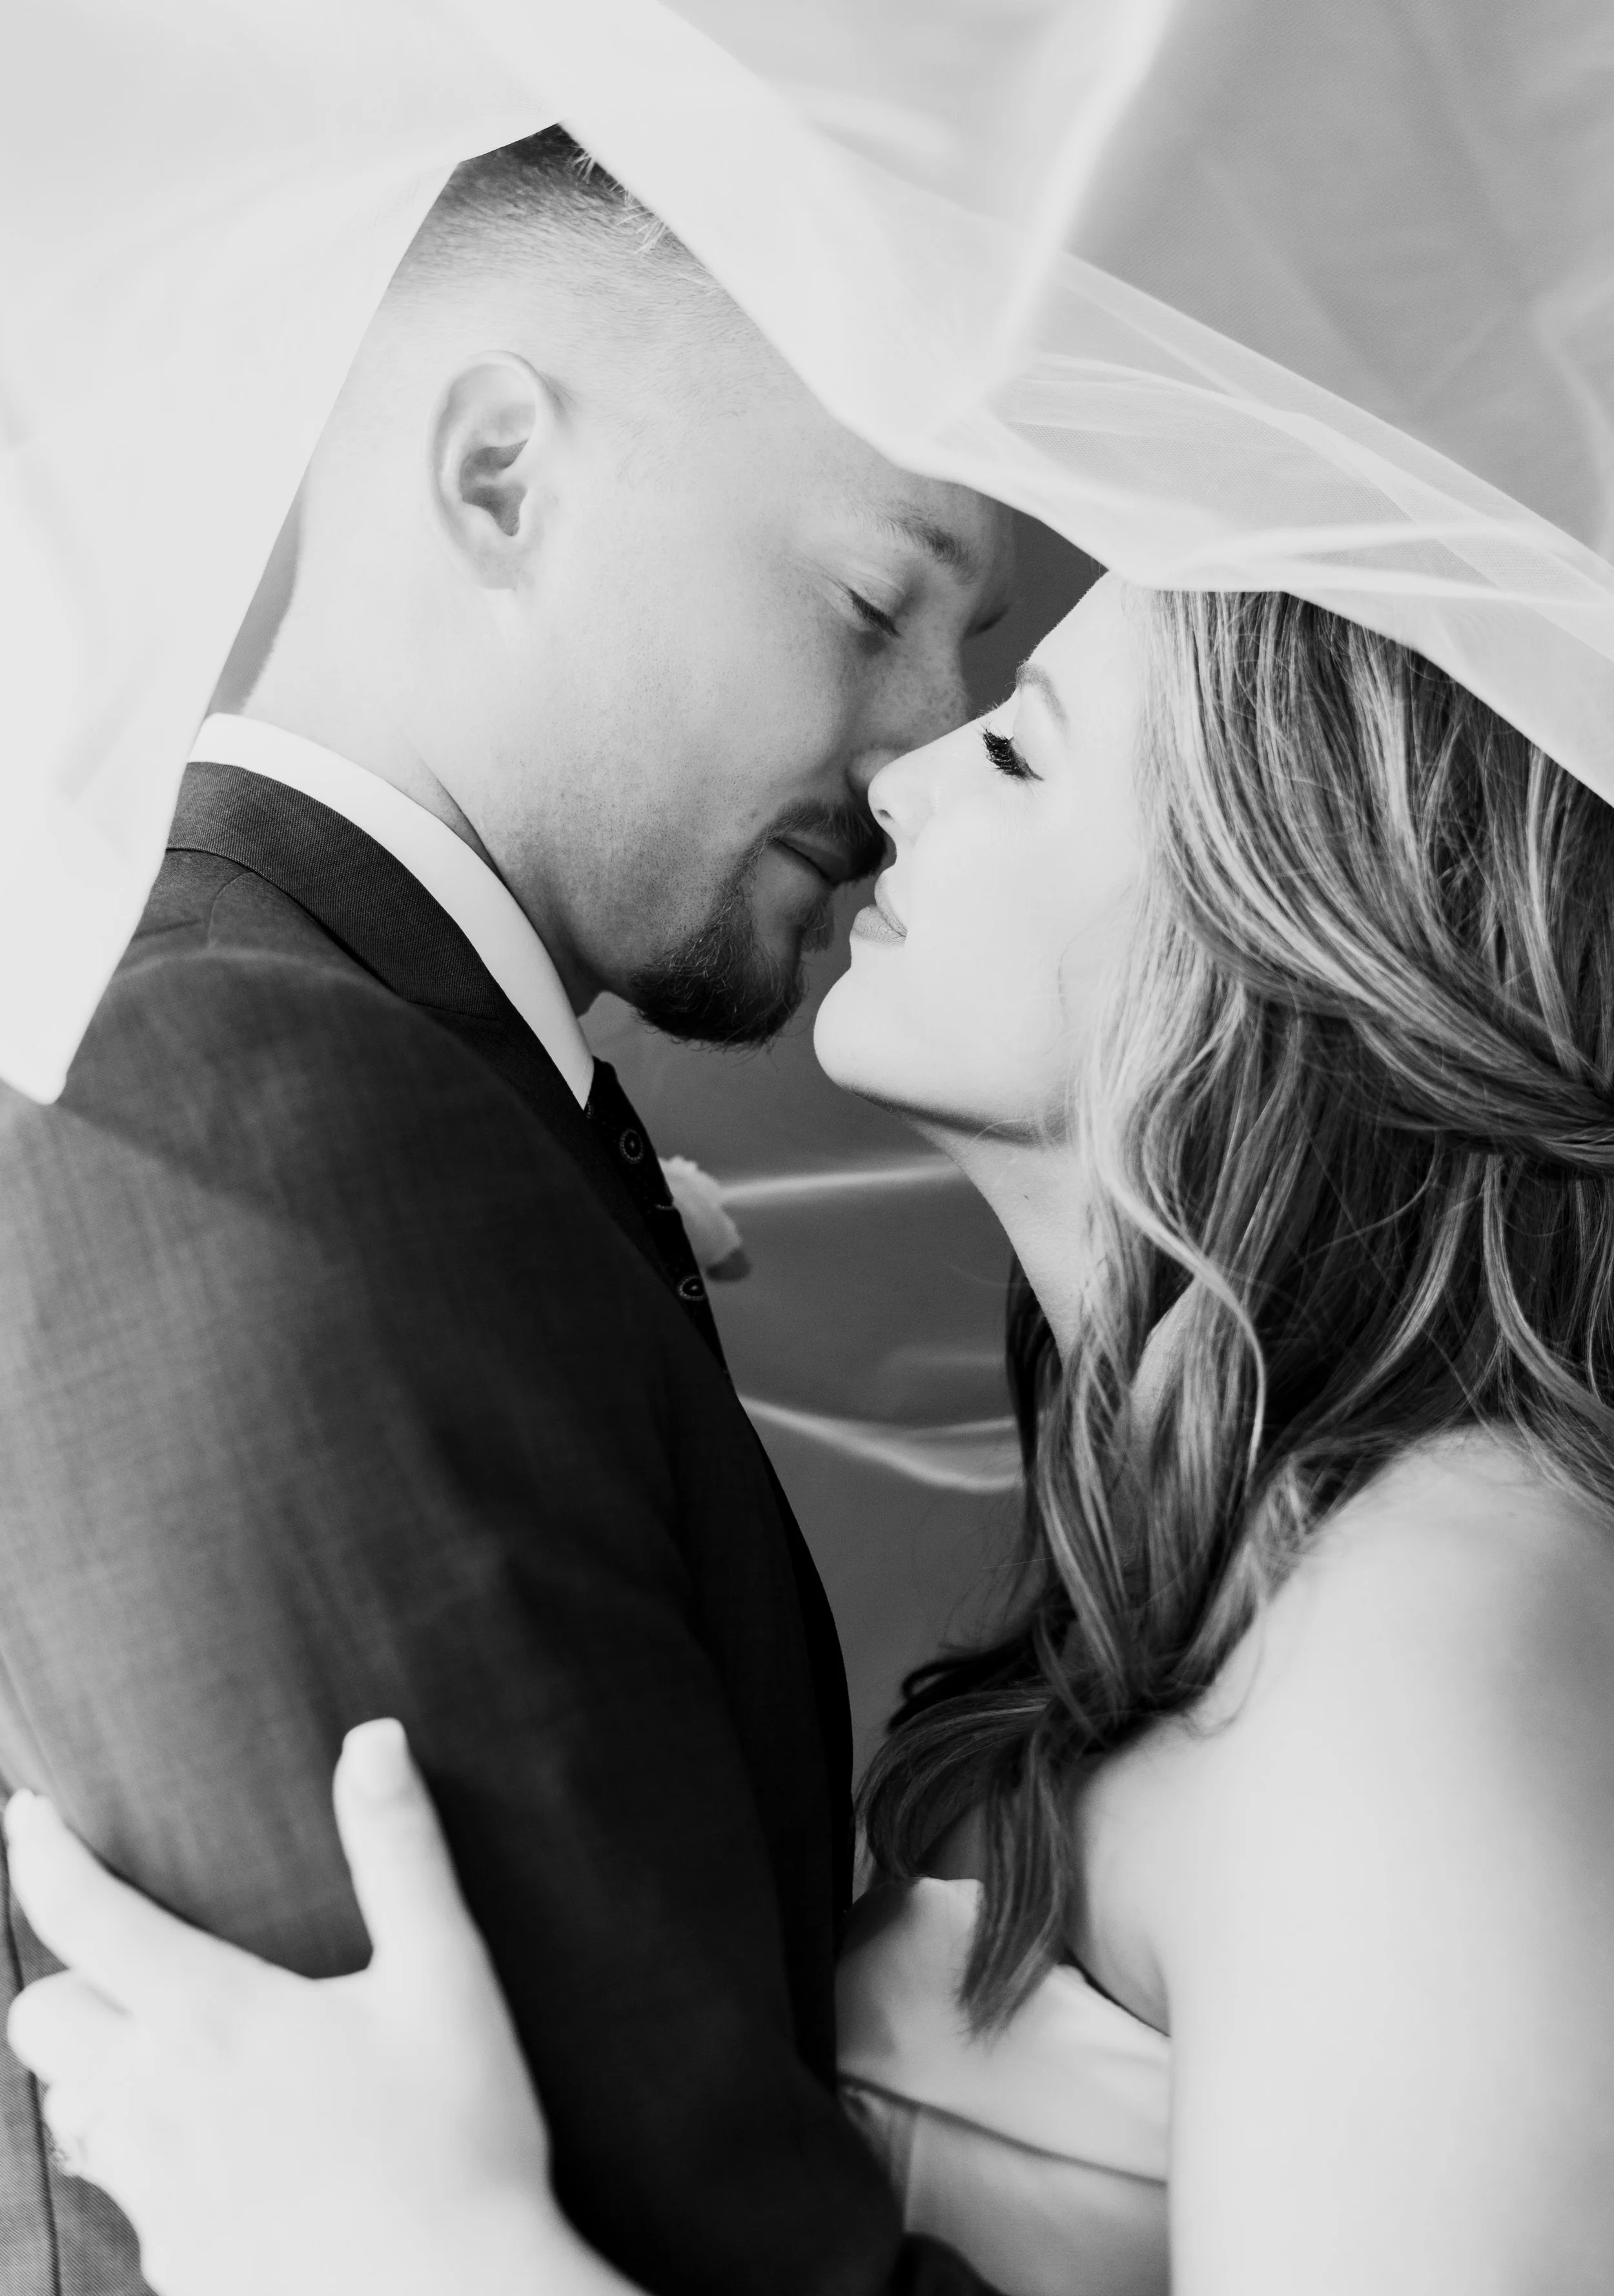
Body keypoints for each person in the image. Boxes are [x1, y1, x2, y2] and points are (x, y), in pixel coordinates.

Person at [15, 572, 1614, 2296]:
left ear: (1286, 922)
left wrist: (429, 2260)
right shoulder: (1266, 1557)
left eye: (1016, 756)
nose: (904, 776)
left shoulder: (1434, 1643)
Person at [0, 127, 1012, 2296]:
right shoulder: (265, 1151)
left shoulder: (398, 1103)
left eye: (973, 640)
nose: (932, 741)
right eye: (867, 600)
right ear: (493, 476)